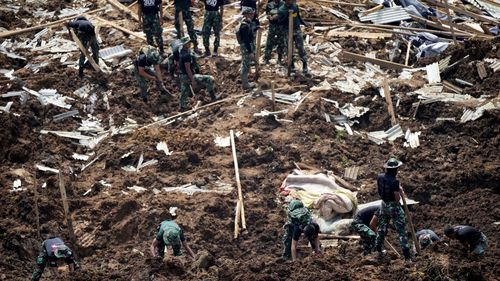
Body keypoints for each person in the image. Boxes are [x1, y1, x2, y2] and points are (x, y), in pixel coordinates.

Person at [373, 157, 412, 264]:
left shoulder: (380, 177)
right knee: (401, 231)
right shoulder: (395, 181)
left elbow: (379, 190)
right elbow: (397, 198)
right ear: (395, 169)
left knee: (381, 227)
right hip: (393, 206)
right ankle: (407, 257)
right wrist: (399, 191)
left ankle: (378, 248)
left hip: (384, 204)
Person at [178, 37, 218, 111]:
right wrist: (192, 80)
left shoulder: (181, 52)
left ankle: (182, 107)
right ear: (184, 44)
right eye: (188, 43)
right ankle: (213, 97)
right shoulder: (186, 55)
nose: (190, 44)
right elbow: (188, 68)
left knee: (184, 90)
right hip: (188, 75)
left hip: (182, 76)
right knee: (209, 79)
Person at [278, 0, 310, 74]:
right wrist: (287, 15)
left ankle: (305, 65)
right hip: (287, 30)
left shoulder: (295, 6)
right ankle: (291, 65)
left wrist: (305, 23)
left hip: (296, 29)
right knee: (289, 49)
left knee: (300, 47)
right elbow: (280, 22)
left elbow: (298, 17)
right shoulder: (281, 10)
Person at [236, 7, 256, 90]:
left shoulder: (246, 23)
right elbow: (246, 40)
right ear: (247, 14)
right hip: (246, 47)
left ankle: (245, 82)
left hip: (246, 46)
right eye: (251, 14)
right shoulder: (244, 26)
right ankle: (245, 84)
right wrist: (250, 51)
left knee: (245, 63)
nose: (252, 15)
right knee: (246, 65)